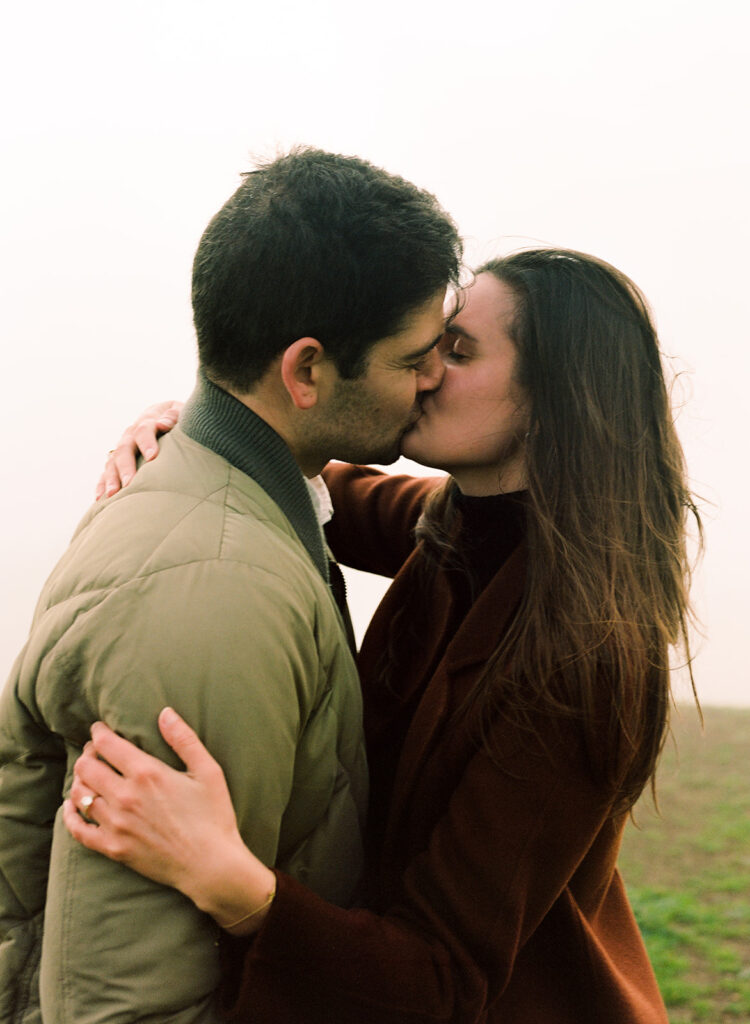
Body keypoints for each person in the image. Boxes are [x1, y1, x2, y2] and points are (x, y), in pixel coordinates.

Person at [64, 248, 701, 1023]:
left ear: (552, 403)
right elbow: (307, 477)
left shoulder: (582, 660)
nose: (423, 371)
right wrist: (194, 429)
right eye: (431, 344)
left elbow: (441, 981)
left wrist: (224, 876)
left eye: (457, 352)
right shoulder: (456, 521)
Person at [0, 147, 462, 1024]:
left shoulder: (247, 494)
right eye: (412, 360)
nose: (433, 378)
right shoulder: (214, 586)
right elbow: (128, 997)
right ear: (307, 370)